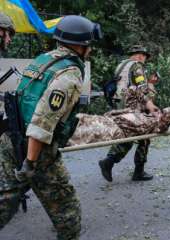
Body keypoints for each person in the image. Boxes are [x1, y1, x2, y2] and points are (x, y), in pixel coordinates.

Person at [0, 15, 102, 240]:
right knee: (67, 209)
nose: (90, 49)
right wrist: (30, 163)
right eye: (88, 45)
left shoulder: (43, 60)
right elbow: (42, 122)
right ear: (80, 45)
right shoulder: (69, 74)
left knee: (5, 199)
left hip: (10, 137)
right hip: (35, 151)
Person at [99, 45, 159, 182]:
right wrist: (149, 103)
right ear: (140, 55)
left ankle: (116, 163)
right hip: (133, 105)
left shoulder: (122, 65)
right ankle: (114, 163)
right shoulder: (137, 66)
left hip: (120, 103)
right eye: (144, 56)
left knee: (130, 135)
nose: (144, 60)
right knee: (142, 135)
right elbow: (141, 88)